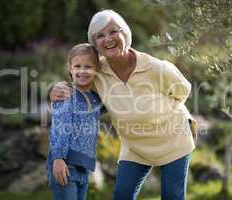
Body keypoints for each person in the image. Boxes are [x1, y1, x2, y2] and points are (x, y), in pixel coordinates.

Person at [50, 10, 197, 200]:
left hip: (173, 140)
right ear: (95, 44)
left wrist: (162, 114)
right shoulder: (97, 71)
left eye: (112, 31)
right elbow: (76, 91)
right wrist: (55, 92)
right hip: (134, 146)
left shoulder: (155, 68)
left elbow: (183, 90)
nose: (107, 39)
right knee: (122, 195)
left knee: (172, 195)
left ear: (124, 33)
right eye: (100, 36)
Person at [47, 43, 101, 200]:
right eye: (77, 66)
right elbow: (59, 127)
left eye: (88, 66)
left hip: (83, 167)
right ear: (70, 69)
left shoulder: (95, 99)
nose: (82, 71)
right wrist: (57, 158)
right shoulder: (66, 93)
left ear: (96, 69)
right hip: (64, 164)